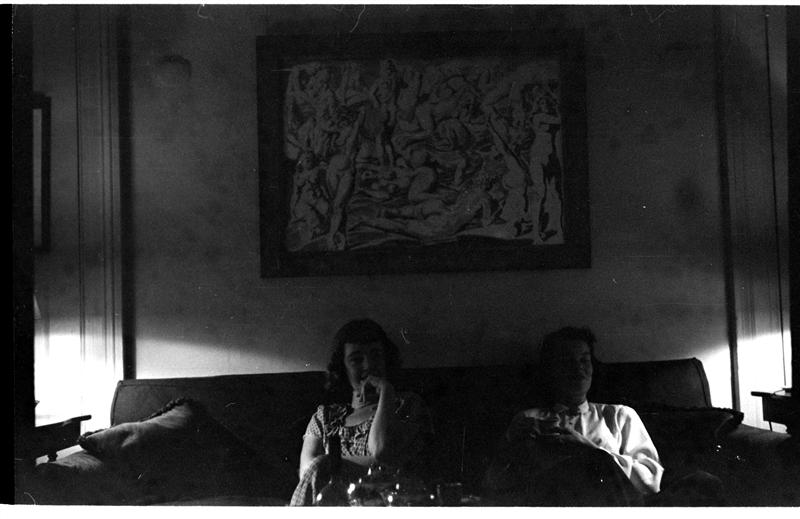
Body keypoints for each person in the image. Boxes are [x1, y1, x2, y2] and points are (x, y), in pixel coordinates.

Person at [483, 327, 663, 506]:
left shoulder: (620, 416)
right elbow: (493, 482)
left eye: (584, 360)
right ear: (551, 370)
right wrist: (520, 448)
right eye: (566, 362)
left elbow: (651, 481)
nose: (578, 368)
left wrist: (591, 450)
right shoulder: (527, 419)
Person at [290, 319, 432, 506]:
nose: (368, 366)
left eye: (376, 355)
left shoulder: (407, 405)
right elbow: (308, 472)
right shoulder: (324, 417)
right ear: (343, 368)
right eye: (356, 360)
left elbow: (381, 451)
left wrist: (386, 392)